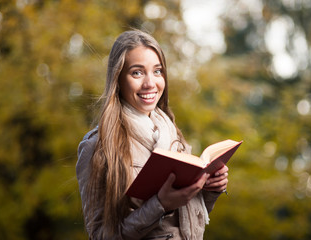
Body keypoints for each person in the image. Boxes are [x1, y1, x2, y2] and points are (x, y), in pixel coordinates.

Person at [76, 30, 229, 240]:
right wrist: (160, 205)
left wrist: (210, 190)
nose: (150, 83)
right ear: (118, 79)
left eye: (157, 71)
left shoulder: (172, 134)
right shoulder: (98, 146)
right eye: (137, 73)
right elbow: (101, 236)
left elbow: (185, 227)